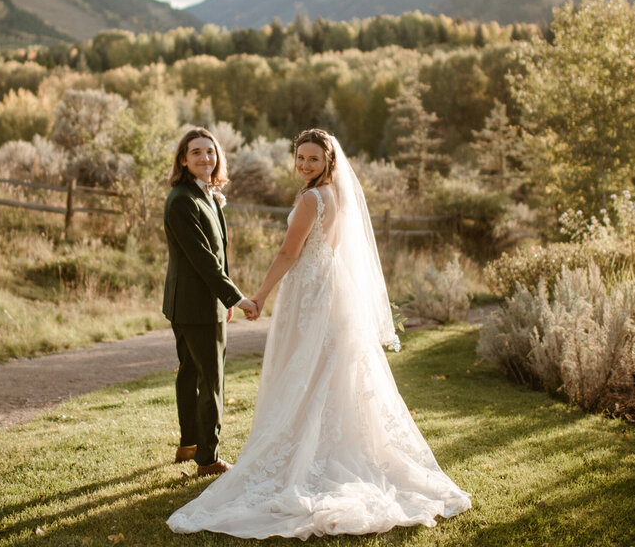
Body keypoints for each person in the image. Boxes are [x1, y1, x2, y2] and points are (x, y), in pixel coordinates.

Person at [167, 128, 471, 538]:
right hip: (332, 290)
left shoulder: (312, 198)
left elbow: (288, 252)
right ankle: (327, 446)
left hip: (311, 293)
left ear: (329, 161)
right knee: (330, 370)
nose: (305, 165)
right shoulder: (339, 194)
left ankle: (307, 455)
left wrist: (256, 296)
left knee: (308, 370)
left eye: (313, 159)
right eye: (300, 158)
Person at [163, 127, 259, 477]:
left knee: (190, 374)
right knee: (211, 380)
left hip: (199, 303)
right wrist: (238, 297)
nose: (205, 158)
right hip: (196, 307)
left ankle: (189, 444)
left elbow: (219, 256)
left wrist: (226, 301)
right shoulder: (182, 201)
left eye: (210, 151)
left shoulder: (205, 194)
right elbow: (203, 259)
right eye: (196, 152)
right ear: (183, 160)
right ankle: (208, 458)